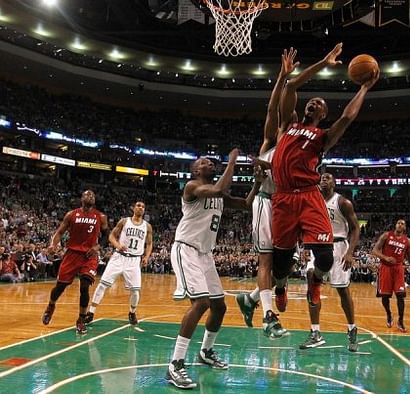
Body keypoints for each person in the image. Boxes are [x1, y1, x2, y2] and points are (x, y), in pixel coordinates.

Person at [268, 42, 378, 349]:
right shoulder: (288, 124)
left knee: (326, 258)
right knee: (280, 264)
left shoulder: (322, 137)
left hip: (308, 196)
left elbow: (347, 118)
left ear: (323, 113)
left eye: (319, 103)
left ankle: (315, 282)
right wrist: (323, 61)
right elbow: (290, 86)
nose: (313, 104)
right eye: (311, 101)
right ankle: (280, 288)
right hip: (283, 198)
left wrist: (364, 89)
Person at [167, 149, 263, 390]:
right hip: (186, 249)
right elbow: (219, 190)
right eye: (204, 162)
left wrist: (257, 184)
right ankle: (175, 364)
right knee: (200, 303)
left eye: (212, 161)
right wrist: (232, 161)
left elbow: (246, 204)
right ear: (196, 170)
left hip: (205, 254)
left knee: (219, 306)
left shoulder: (218, 192)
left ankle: (205, 352)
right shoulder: (192, 187)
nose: (210, 163)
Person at [236, 47, 299, 338]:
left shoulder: (300, 151)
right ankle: (268, 317)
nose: (293, 122)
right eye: (292, 119)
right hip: (265, 202)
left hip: (287, 207)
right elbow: (272, 109)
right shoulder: (270, 142)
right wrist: (283, 77)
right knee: (266, 261)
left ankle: (249, 299)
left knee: (286, 266)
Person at [302, 173, 360, 350]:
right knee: (312, 282)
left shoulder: (343, 202)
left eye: (327, 178)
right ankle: (315, 332)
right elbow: (307, 224)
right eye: (321, 178)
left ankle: (352, 329)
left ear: (334, 183)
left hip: (339, 247)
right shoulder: (314, 200)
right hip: (318, 245)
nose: (323, 180)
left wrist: (350, 253)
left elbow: (356, 228)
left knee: (343, 291)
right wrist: (305, 247)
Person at [42, 190, 109, 334]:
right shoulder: (71, 214)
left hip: (89, 256)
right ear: (81, 198)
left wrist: (97, 246)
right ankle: (51, 306)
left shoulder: (101, 216)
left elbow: (106, 236)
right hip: (72, 253)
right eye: (87, 194)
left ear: (95, 200)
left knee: (84, 286)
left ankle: (80, 320)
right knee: (60, 287)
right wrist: (54, 245)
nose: (90, 196)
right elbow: (60, 232)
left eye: (92, 195)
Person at [85, 201, 153, 325]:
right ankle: (90, 312)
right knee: (102, 285)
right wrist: (117, 245)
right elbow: (111, 236)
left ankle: (132, 312)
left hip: (134, 260)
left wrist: (146, 257)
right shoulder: (124, 221)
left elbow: (149, 244)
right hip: (119, 257)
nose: (141, 208)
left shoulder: (147, 226)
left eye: (143, 206)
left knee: (135, 291)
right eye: (138, 205)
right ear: (133, 208)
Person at [371, 219, 410, 333]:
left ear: (404, 228)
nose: (400, 225)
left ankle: (401, 321)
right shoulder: (386, 235)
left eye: (403, 224)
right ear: (395, 225)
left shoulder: (407, 241)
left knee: (400, 295)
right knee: (385, 296)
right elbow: (374, 250)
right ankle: (389, 314)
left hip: (398, 269)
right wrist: (385, 258)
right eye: (399, 223)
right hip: (385, 268)